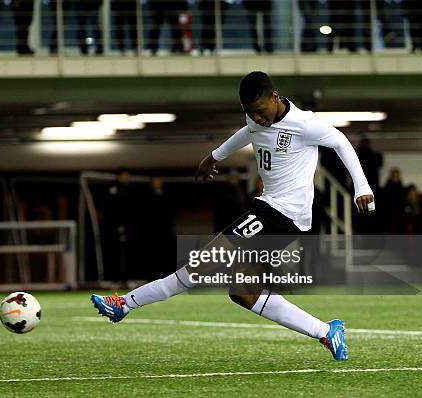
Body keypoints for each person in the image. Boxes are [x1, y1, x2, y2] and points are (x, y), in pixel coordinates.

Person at [91, 71, 375, 361]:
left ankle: (124, 304)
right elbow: (247, 132)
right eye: (251, 113)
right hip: (272, 211)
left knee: (202, 263)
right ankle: (327, 331)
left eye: (261, 112)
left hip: (282, 213)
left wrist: (361, 187)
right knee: (243, 292)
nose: (258, 118)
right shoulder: (256, 118)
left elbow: (340, 142)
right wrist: (213, 157)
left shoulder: (305, 124)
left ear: (275, 97)